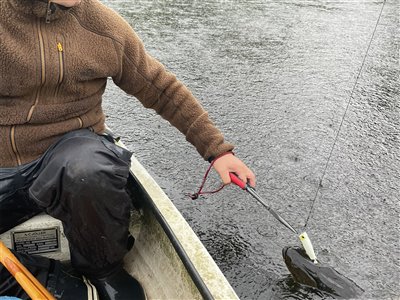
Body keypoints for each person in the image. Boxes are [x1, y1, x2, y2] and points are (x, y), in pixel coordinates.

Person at [0, 0, 256, 299]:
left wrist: (218, 151)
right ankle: (62, 286)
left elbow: (162, 89)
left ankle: (103, 271)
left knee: (89, 168)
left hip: (69, 156)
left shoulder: (104, 27)